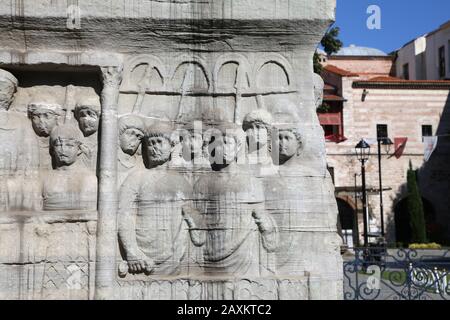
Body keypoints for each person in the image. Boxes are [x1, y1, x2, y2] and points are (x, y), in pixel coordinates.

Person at [184, 124, 278, 278]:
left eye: (227, 143)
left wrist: (266, 226)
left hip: (245, 254)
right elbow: (198, 224)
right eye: (218, 145)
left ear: (238, 146)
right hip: (211, 251)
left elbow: (263, 220)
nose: (222, 149)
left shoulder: (252, 182)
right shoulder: (203, 183)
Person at [118, 122, 193, 276]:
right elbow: (123, 215)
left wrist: (179, 251)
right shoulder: (136, 178)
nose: (154, 147)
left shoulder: (181, 181)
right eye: (150, 143)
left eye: (159, 142)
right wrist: (132, 252)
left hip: (174, 257)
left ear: (172, 146)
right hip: (142, 257)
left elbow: (188, 221)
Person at [0, 69, 40, 211]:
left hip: (13, 186)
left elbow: (31, 163)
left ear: (11, 96)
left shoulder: (21, 123)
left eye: (5, 89)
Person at [42, 123, 97, 211]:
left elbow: (89, 208)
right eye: (58, 145)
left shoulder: (89, 178)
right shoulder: (45, 178)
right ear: (52, 149)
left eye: (69, 145)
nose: (63, 150)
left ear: (79, 149)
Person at [117, 114, 146, 186]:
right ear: (119, 134)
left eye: (139, 137)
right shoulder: (110, 160)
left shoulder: (141, 163)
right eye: (130, 134)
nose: (134, 141)